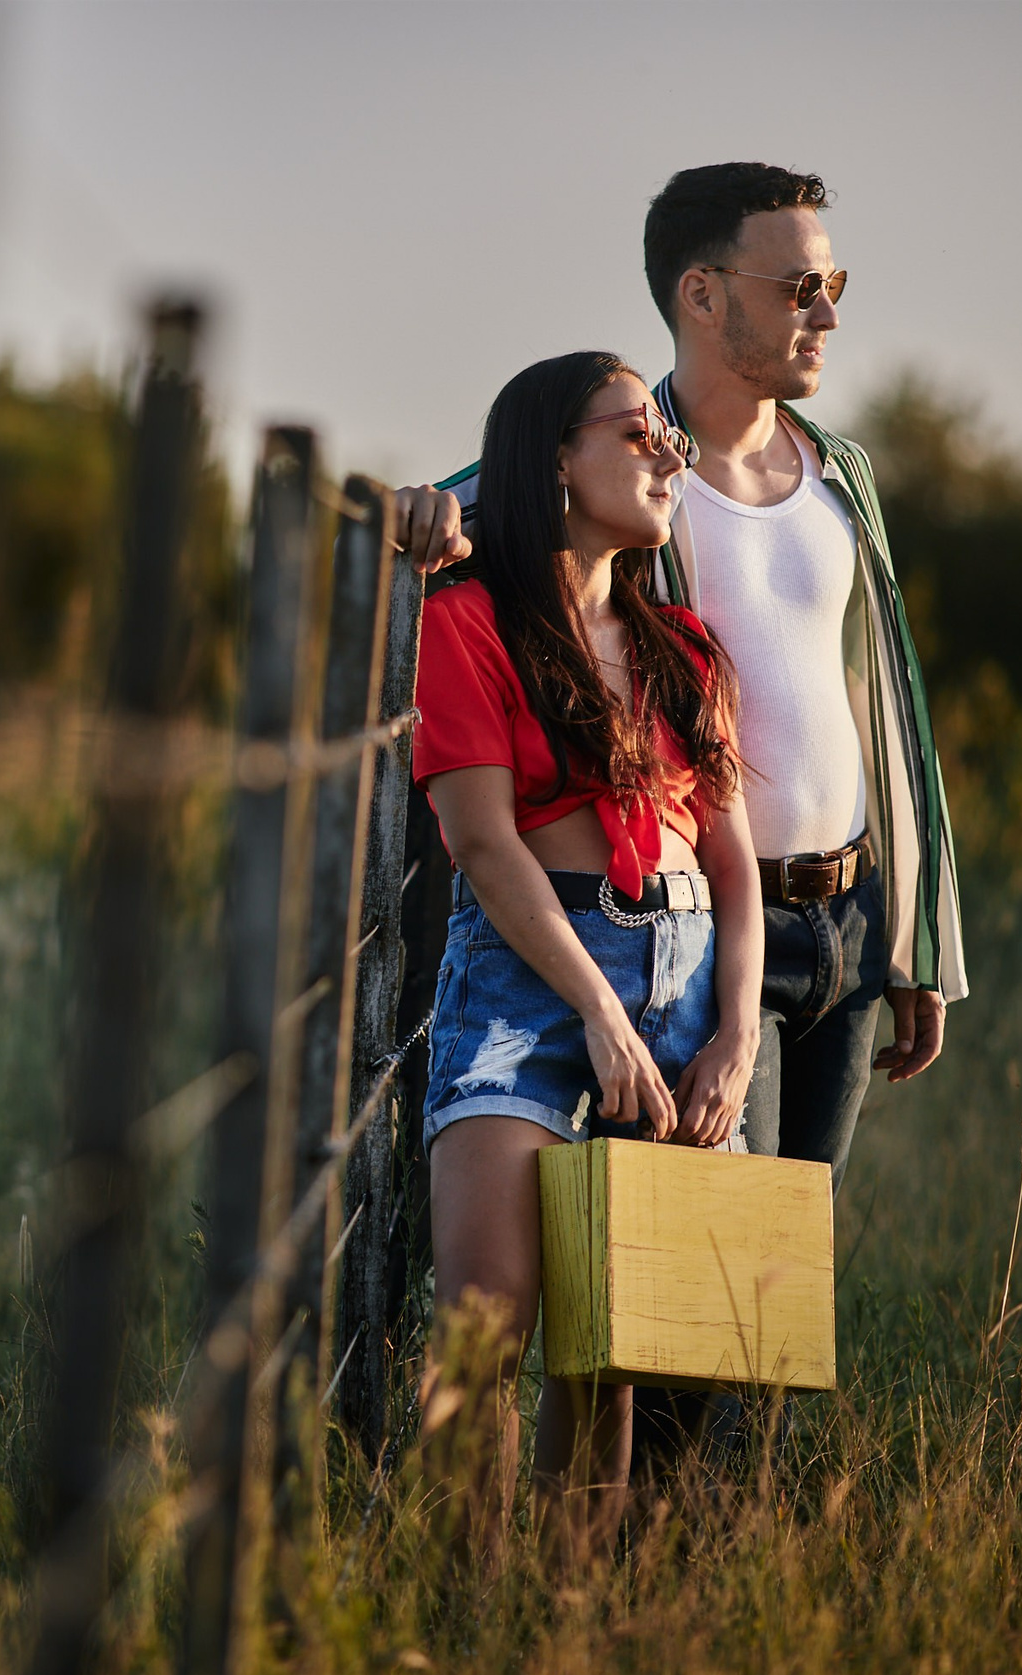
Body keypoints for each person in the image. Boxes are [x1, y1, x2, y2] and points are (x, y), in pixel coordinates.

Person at [397, 163, 966, 1186]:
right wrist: (414, 510)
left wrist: (917, 939)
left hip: (849, 913)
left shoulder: (844, 474)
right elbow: (487, 496)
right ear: (702, 293)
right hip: (705, 926)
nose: (827, 315)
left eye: (835, 286)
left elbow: (888, 706)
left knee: (790, 1257)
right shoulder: (637, 463)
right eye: (800, 288)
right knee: (720, 1239)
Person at [414, 349, 760, 1532]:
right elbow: (482, 841)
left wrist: (734, 1041)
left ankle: (560, 1614)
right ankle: (462, 1607)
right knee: (485, 1328)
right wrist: (599, 1014)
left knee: (617, 1343)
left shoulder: (685, 649)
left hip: (687, 990)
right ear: (555, 458)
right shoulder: (469, 621)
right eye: (636, 432)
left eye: (670, 439)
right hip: (531, 985)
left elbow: (732, 868)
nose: (669, 454)